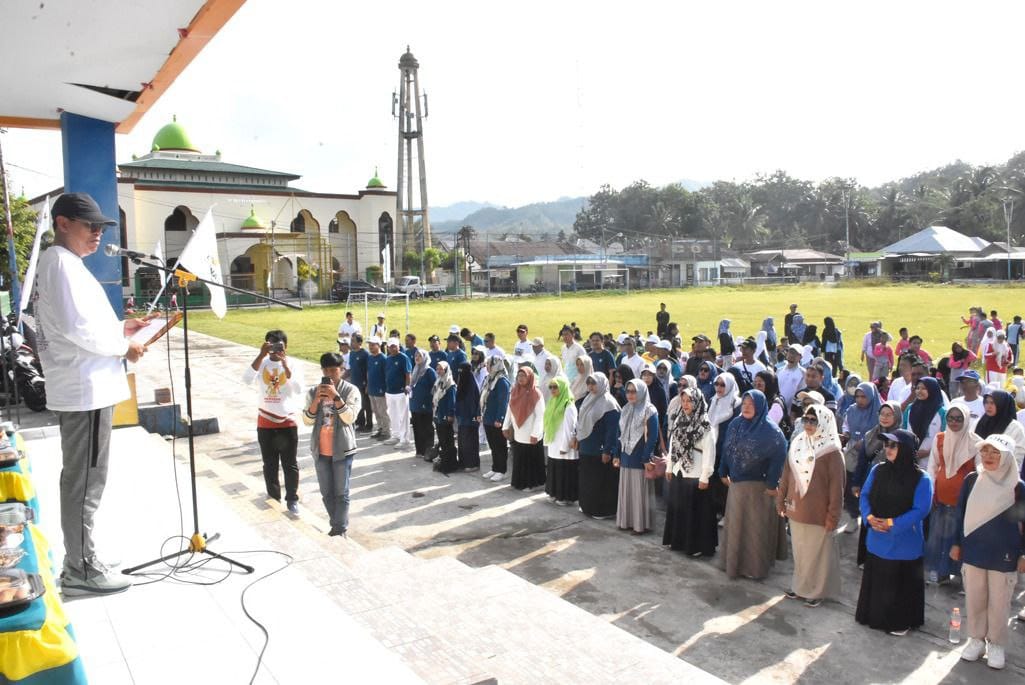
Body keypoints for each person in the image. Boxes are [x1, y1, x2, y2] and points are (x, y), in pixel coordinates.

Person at [34, 192, 149, 596]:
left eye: (102, 227)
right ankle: (80, 566)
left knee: (87, 478)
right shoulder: (60, 264)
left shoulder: (67, 264)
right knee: (85, 480)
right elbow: (77, 329)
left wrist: (123, 329)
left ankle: (84, 555)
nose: (98, 234)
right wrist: (125, 347)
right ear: (63, 223)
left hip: (88, 386)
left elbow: (86, 323)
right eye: (90, 226)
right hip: (84, 390)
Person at [950, 434, 1025, 671]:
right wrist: (955, 542)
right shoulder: (972, 480)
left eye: (995, 452)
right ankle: (975, 639)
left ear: (1007, 457)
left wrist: (1023, 553)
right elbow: (959, 514)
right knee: (975, 596)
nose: (989, 457)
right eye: (985, 451)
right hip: (974, 550)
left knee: (1000, 602)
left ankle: (996, 643)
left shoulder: (1018, 486)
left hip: (1005, 554)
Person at [855, 429, 933, 637]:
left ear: (906, 450)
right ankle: (873, 617)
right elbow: (865, 495)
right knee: (879, 580)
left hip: (903, 543)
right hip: (877, 537)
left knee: (899, 586)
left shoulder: (922, 479)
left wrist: (892, 523)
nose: (887, 449)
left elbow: (921, 510)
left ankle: (900, 622)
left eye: (893, 445)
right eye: (886, 445)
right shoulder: (878, 470)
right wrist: (870, 518)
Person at [718, 390, 789, 580]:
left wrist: (772, 484)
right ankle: (733, 564)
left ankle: (753, 569)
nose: (747, 407)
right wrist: (722, 471)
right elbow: (726, 448)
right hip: (737, 487)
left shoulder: (772, 433)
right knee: (736, 527)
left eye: (751, 404)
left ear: (761, 406)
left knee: (754, 530)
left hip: (759, 489)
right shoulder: (736, 424)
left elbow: (778, 458)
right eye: (745, 403)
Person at [778, 404, 844, 606]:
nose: (808, 424)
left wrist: (832, 516)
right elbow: (787, 475)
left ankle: (816, 592)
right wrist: (781, 500)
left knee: (817, 556)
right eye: (805, 420)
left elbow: (836, 489)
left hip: (818, 514)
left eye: (813, 421)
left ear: (824, 422)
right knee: (800, 552)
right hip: (796, 509)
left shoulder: (832, 452)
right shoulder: (799, 443)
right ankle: (799, 587)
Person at [242, 329, 303, 515]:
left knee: (290, 464)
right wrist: (260, 355)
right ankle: (273, 496)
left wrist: (286, 366)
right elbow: (246, 379)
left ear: (285, 346)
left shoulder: (292, 363)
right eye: (271, 345)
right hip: (266, 421)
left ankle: (292, 499)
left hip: (287, 422)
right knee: (269, 464)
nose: (275, 349)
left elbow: (299, 389)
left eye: (279, 346)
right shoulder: (262, 363)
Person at [303, 353, 361, 536]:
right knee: (327, 493)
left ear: (341, 370)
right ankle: (336, 524)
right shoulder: (314, 392)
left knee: (341, 493)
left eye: (334, 370)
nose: (330, 374)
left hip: (342, 449)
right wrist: (316, 401)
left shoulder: (350, 390)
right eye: (326, 370)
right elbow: (306, 420)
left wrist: (336, 397)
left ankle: (339, 528)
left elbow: (349, 417)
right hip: (321, 450)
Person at [923, 401, 976, 585]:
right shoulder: (940, 438)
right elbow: (932, 466)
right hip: (941, 497)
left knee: (959, 537)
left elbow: (978, 474)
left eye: (959, 419)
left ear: (966, 419)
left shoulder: (976, 443)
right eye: (950, 418)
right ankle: (938, 571)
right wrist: (931, 491)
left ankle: (960, 575)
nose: (954, 422)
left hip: (964, 501)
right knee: (937, 536)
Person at [663, 386, 718, 556]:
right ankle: (677, 542)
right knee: (679, 510)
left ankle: (695, 546)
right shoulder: (680, 420)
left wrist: (705, 477)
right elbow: (673, 445)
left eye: (689, 401)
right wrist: (669, 467)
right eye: (683, 401)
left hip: (696, 476)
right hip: (680, 472)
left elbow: (710, 453)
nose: (686, 404)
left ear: (697, 402)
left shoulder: (705, 426)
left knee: (695, 513)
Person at [613, 379, 659, 534]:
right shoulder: (625, 409)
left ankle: (641, 525)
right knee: (627, 490)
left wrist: (646, 458)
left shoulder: (649, 410)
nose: (630, 395)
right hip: (626, 455)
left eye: (634, 391)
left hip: (640, 457)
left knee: (639, 492)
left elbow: (653, 437)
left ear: (641, 392)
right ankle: (626, 522)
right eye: (628, 391)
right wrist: (617, 454)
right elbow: (620, 433)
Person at [573, 373, 621, 519]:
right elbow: (581, 424)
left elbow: (612, 431)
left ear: (602, 384)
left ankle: (603, 511)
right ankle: (587, 506)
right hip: (586, 448)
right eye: (589, 384)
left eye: (594, 383)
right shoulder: (588, 400)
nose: (591, 387)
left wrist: (607, 450)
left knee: (601, 482)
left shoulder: (609, 403)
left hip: (599, 450)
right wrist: (578, 439)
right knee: (588, 480)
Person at [504, 367, 546, 490]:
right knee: (519, 459)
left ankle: (532, 484)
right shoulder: (515, 391)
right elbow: (509, 409)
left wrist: (536, 433)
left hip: (531, 434)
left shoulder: (536, 394)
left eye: (524, 376)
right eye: (519, 376)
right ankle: (519, 482)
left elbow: (540, 416)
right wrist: (505, 426)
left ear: (530, 377)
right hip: (519, 433)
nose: (521, 378)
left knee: (531, 461)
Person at [543, 377, 578, 505]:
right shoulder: (552, 402)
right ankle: (554, 493)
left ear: (563, 387)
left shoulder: (568, 405)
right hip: (554, 444)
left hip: (564, 446)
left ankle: (565, 497)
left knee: (565, 471)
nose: (552, 389)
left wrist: (564, 447)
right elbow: (547, 423)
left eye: (555, 387)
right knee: (554, 469)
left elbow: (570, 429)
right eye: (550, 387)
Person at [974, 390, 1025, 469]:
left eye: (993, 403)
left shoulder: (1015, 428)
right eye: (986, 402)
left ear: (1002, 404)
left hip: (1004, 476)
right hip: (979, 474)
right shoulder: (979, 423)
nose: (988, 406)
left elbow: (1018, 457)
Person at [903, 377, 946, 467]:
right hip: (910, 460)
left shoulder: (941, 412)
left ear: (933, 390)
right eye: (917, 388)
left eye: (924, 388)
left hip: (933, 460)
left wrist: (928, 452)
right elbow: (904, 432)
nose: (919, 391)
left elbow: (945, 438)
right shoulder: (910, 409)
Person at [481, 355, 511, 482]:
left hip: (496, 420)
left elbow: (503, 402)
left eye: (489, 364)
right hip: (487, 417)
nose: (487, 367)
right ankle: (495, 468)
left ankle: (502, 470)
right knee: (493, 445)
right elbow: (482, 396)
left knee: (500, 445)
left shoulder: (502, 381)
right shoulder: (489, 379)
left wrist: (500, 419)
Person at [383, 339, 413, 448]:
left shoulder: (403, 358)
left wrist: (407, 386)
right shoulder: (388, 359)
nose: (393, 348)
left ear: (398, 346)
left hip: (401, 392)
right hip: (390, 392)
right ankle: (395, 435)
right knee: (393, 414)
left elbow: (408, 373)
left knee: (403, 416)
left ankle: (404, 439)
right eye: (391, 346)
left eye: (395, 346)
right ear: (388, 347)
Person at [408, 350, 437, 460]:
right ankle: (419, 450)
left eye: (420, 356)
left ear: (425, 357)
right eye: (416, 355)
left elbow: (434, 387)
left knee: (427, 428)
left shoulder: (429, 371)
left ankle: (428, 451)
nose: (417, 357)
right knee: (417, 428)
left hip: (426, 405)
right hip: (415, 404)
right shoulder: (415, 369)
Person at [432, 361, 459, 473]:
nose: (439, 371)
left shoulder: (450, 384)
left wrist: (450, 415)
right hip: (438, 415)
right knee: (442, 441)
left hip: (445, 416)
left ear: (446, 370)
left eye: (441, 369)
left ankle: (450, 465)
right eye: (437, 369)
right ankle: (444, 462)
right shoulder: (438, 381)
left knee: (448, 441)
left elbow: (452, 402)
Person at [455, 363, 482, 472]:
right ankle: (463, 463)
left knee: (470, 441)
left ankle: (472, 464)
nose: (461, 374)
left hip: (471, 418)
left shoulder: (471, 383)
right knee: (462, 441)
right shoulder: (462, 382)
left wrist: (474, 417)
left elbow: (474, 401)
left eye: (463, 371)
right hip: (462, 418)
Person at [366, 337, 389, 440]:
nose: (370, 347)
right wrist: (367, 385)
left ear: (379, 345)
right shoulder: (370, 358)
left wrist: (385, 389)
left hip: (380, 390)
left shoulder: (383, 359)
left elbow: (387, 375)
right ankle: (380, 429)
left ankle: (386, 431)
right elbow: (368, 372)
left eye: (373, 345)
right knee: (375, 410)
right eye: (370, 345)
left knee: (382, 411)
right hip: (372, 389)